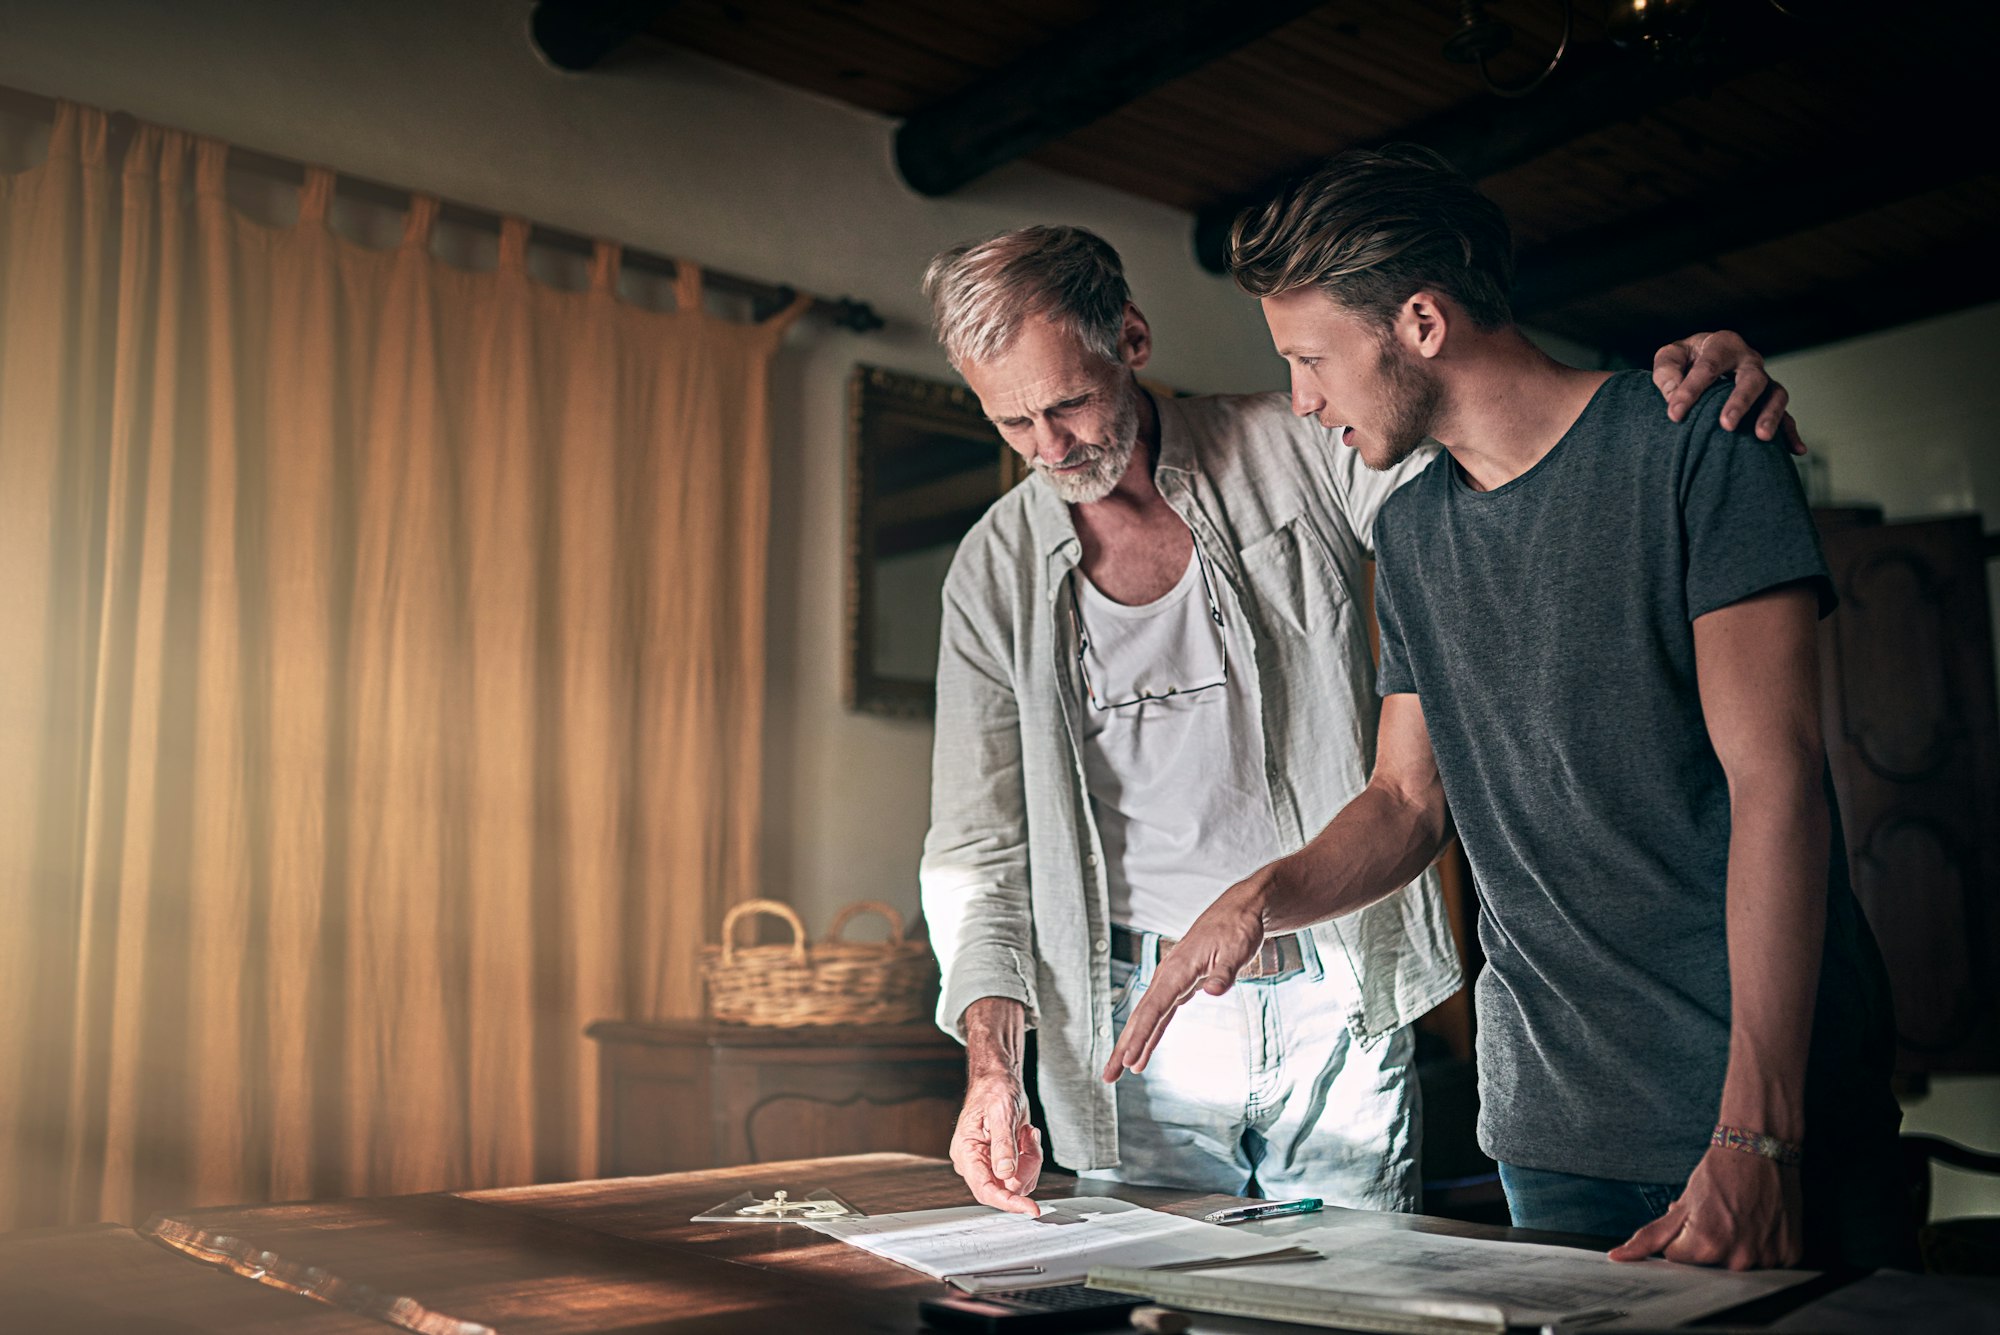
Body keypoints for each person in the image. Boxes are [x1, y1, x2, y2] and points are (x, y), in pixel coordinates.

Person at [1103, 149, 1909, 1270]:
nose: (1301, 398)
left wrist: (1754, 1136)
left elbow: (1773, 789)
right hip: (1548, 1130)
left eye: (1308, 359)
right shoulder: (1415, 533)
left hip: (1761, 1112)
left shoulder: (1693, 447)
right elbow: (1401, 801)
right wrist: (1256, 900)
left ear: (1419, 323)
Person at [919, 225, 1801, 1221]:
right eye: (1010, 423)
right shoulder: (991, 572)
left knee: (1358, 1297)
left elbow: (1493, 472)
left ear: (1127, 338)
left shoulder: (1300, 445)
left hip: (1332, 993)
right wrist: (991, 1066)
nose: (1049, 448)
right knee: (1161, 1306)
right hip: (1133, 1016)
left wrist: (1657, 414)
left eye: (1067, 403)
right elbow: (976, 846)